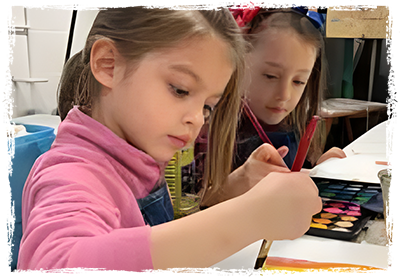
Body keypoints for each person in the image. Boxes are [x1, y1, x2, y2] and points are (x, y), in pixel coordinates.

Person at [18, 4, 322, 275]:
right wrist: (248, 218)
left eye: (207, 106)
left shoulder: (141, 155)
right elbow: (55, 265)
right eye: (180, 89)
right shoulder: (71, 173)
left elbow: (165, 242)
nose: (198, 119)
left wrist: (236, 187)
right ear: (108, 64)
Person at [199, 3, 346, 208]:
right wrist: (231, 187)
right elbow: (180, 214)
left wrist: (317, 174)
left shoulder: (293, 126)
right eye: (270, 76)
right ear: (238, 63)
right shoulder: (203, 130)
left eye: (298, 82)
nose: (284, 95)